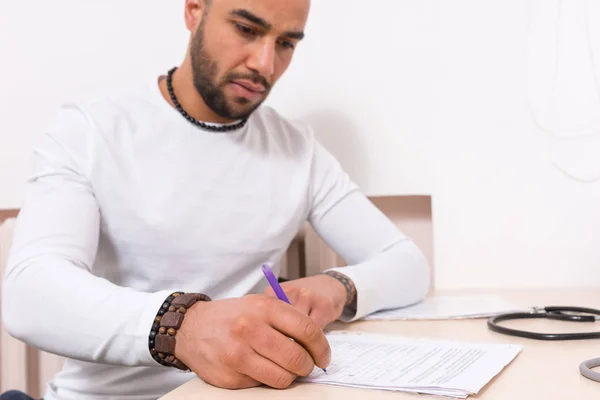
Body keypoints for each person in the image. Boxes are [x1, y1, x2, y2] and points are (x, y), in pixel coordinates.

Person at [0, 0, 430, 399]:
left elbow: (407, 263)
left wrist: (339, 287)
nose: (265, 64)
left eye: (285, 43)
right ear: (194, 10)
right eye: (246, 29)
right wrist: (181, 327)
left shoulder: (297, 149)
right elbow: (29, 291)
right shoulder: (91, 131)